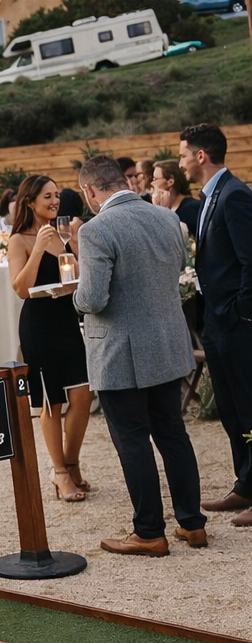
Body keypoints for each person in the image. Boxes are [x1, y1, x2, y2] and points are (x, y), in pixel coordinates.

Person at [75, 155, 205, 555]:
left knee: (132, 440)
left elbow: (93, 299)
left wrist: (74, 296)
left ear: (90, 190)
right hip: (167, 343)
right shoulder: (167, 218)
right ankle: (192, 524)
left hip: (120, 352)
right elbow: (178, 268)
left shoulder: (95, 230)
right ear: (122, 181)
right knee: (173, 434)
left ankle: (149, 532)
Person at [178, 123, 252, 526]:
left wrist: (241, 312)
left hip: (237, 322)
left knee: (249, 406)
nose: (181, 163)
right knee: (230, 407)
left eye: (183, 155)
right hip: (217, 322)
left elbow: (250, 260)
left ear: (201, 156)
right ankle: (246, 484)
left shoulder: (235, 195)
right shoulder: (210, 196)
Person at [8, 175, 93, 502]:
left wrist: (76, 243)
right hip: (38, 325)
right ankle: (59, 472)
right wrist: (38, 249)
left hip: (67, 320)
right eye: (47, 196)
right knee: (51, 401)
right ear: (30, 202)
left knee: (83, 394)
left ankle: (71, 462)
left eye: (56, 195)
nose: (55, 201)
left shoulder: (64, 233)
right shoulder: (19, 239)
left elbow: (80, 278)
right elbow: (20, 289)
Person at [151, 160, 200, 239]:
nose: (152, 183)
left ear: (170, 182)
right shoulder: (167, 208)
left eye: (155, 179)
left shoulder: (191, 209)